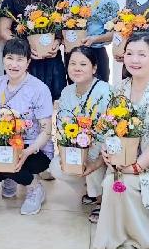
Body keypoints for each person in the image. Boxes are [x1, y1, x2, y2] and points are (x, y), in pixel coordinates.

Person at [93, 33, 149, 249]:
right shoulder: (120, 88)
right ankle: (117, 232)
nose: (135, 60)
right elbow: (110, 125)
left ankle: (143, 234)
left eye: (142, 55)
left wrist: (136, 167)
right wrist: (107, 150)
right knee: (111, 179)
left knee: (117, 183)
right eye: (130, 53)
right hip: (124, 155)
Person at [0, 38, 54, 215]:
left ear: (28, 62)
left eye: (20, 59)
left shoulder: (39, 89)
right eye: (9, 58)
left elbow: (46, 131)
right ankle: (9, 176)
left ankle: (35, 187)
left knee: (13, 163)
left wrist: (26, 152)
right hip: (3, 144)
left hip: (33, 148)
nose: (14, 64)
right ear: (3, 60)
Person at [48, 46, 111, 223]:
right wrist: (66, 151)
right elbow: (62, 126)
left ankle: (102, 200)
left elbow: (109, 130)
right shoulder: (67, 92)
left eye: (83, 64)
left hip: (102, 150)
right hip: (78, 146)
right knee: (57, 166)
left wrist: (94, 157)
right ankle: (89, 192)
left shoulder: (105, 91)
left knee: (91, 157)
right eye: (72, 63)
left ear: (94, 68)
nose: (77, 68)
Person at [0, 0, 66, 101]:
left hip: (51, 61)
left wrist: (57, 42)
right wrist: (25, 47)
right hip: (23, 62)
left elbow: (61, 29)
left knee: (52, 103)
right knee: (21, 105)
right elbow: (3, 30)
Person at [64, 0, 119, 82]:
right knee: (74, 93)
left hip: (96, 54)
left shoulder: (107, 0)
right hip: (73, 55)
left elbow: (116, 33)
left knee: (97, 94)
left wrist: (94, 39)